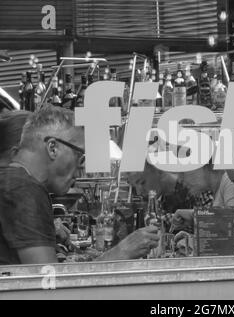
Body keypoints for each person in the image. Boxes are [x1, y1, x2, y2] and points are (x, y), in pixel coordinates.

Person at [0, 106, 159, 265]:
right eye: (80, 157)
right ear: (53, 148)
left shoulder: (11, 181)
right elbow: (48, 282)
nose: (80, 172)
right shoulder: (24, 189)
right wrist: (122, 251)